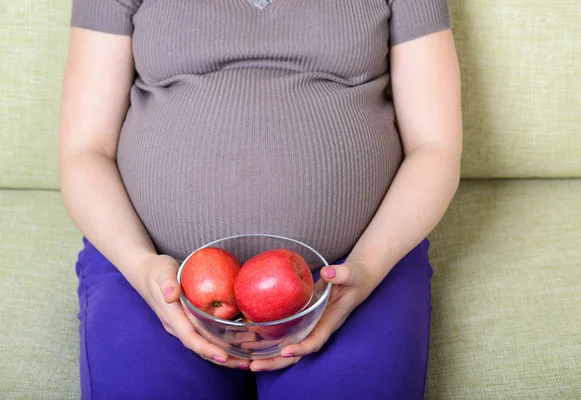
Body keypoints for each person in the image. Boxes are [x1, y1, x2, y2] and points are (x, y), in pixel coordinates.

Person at [58, 0, 462, 398]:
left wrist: (367, 267)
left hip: (353, 269)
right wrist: (141, 265)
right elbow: (85, 149)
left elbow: (435, 145)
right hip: (153, 271)